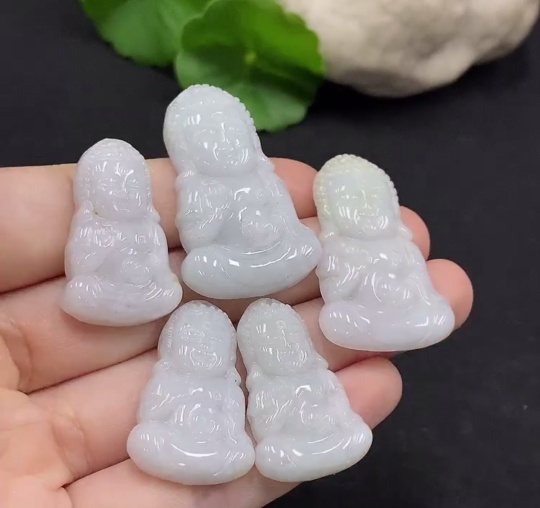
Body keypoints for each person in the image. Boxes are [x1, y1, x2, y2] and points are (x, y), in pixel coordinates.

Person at [0, 156, 473, 508]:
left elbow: (287, 400)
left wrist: (266, 226)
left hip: (285, 270)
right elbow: (192, 234)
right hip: (153, 294)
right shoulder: (115, 228)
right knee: (191, 271)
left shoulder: (372, 251)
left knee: (328, 306)